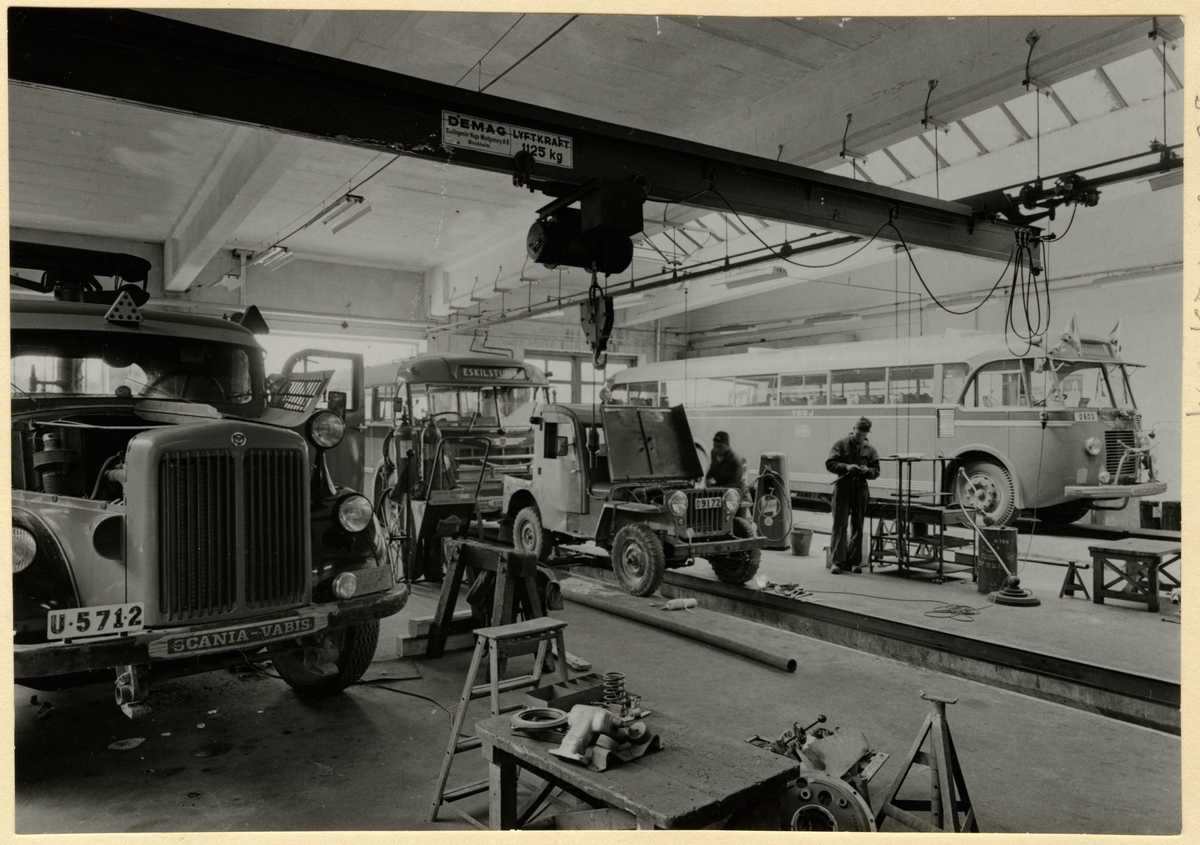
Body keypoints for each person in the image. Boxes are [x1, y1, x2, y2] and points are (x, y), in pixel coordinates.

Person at [825, 416, 880, 574]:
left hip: (860, 489)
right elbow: (830, 464)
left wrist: (867, 471)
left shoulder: (870, 449)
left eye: (864, 435)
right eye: (858, 434)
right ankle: (838, 562)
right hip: (843, 487)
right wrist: (846, 467)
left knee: (858, 525)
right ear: (853, 429)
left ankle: (854, 562)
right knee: (840, 524)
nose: (861, 437)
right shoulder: (841, 444)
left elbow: (876, 471)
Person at [705, 431, 746, 495]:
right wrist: (708, 478)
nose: (716, 450)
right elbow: (713, 468)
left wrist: (717, 488)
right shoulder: (713, 453)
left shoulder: (735, 461)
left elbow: (735, 484)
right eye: (714, 446)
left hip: (735, 493)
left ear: (727, 445)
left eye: (720, 447)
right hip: (718, 489)